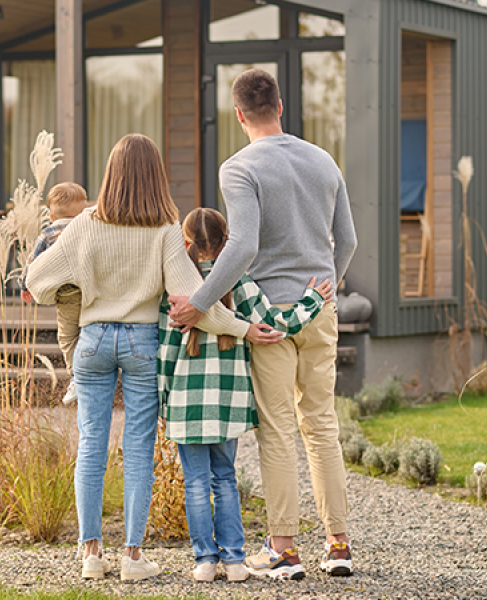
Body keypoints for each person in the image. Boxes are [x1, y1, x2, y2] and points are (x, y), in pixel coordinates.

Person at [26, 134, 281, 582]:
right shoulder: (165, 230)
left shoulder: (84, 224)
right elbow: (194, 303)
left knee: (91, 445)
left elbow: (36, 279)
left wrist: (75, 290)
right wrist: (243, 328)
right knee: (139, 449)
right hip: (143, 343)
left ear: (110, 174)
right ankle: (132, 557)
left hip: (92, 340)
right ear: (156, 176)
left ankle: (90, 554)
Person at [168, 69, 358, 580]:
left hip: (268, 318)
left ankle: (285, 551)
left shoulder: (239, 167)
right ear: (280, 104)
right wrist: (325, 293)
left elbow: (244, 244)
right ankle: (338, 545)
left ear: (237, 115)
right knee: (321, 426)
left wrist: (199, 302)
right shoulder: (323, 160)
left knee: (277, 432)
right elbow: (350, 240)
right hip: (319, 309)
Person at [159, 207, 332, 583]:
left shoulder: (176, 286)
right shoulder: (239, 281)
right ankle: (236, 561)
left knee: (195, 483)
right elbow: (275, 325)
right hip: (229, 402)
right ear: (228, 244)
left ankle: (206, 561)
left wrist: (164, 400)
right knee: (225, 479)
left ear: (185, 243)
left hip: (186, 405)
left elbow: (165, 350)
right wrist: (312, 300)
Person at [19, 182, 88, 405]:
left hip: (66, 297)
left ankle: (76, 376)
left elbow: (32, 262)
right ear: (82, 211)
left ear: (51, 216)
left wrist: (24, 285)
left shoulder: (48, 234)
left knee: (68, 337)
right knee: (88, 333)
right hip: (91, 294)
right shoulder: (88, 229)